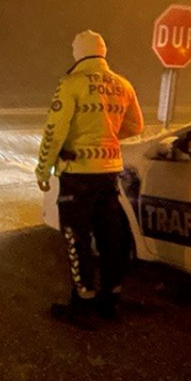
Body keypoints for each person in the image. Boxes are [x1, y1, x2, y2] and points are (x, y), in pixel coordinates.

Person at [36, 30, 143, 327]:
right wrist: (106, 137)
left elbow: (54, 132)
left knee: (77, 239)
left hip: (77, 174)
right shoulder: (122, 84)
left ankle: (82, 304)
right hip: (109, 173)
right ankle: (110, 300)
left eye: (73, 47)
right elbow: (135, 125)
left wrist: (43, 169)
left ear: (80, 52)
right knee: (111, 238)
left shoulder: (71, 84)